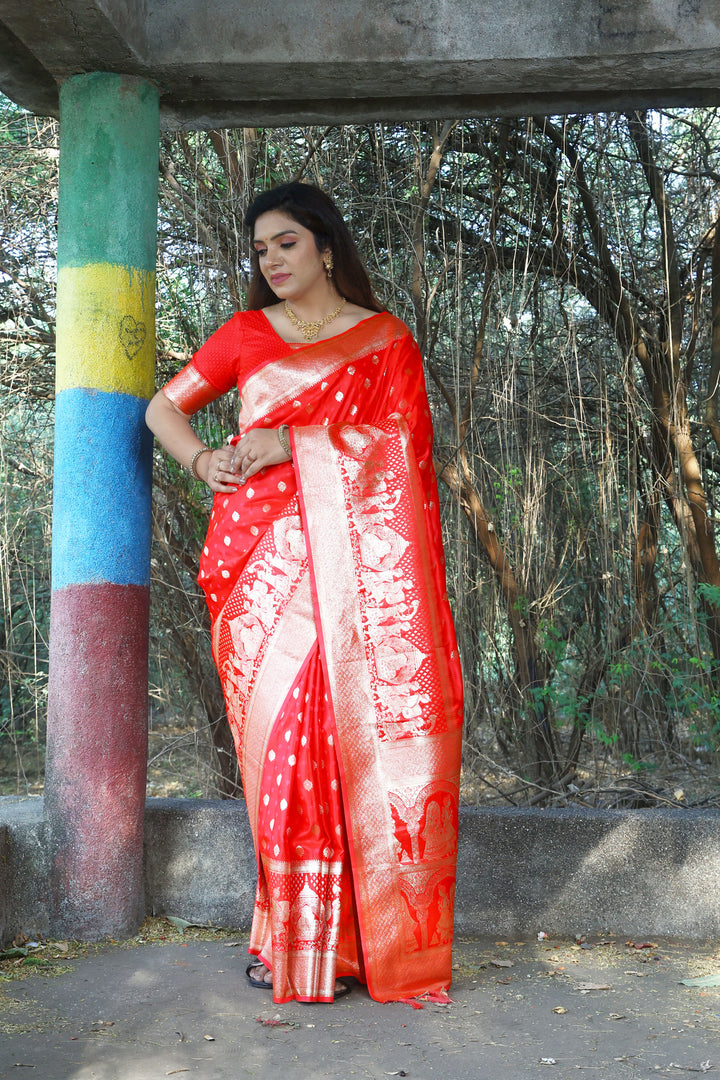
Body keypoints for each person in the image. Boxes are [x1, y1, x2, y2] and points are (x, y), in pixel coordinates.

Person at [145, 182, 464, 1004]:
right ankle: (296, 943)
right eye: (259, 250)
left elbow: (407, 454)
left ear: (325, 246)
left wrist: (295, 440)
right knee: (280, 760)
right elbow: (163, 408)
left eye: (286, 243)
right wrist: (201, 461)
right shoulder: (246, 335)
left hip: (357, 584)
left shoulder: (385, 339)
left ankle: (362, 946)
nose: (272, 260)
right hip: (255, 569)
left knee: (347, 745)